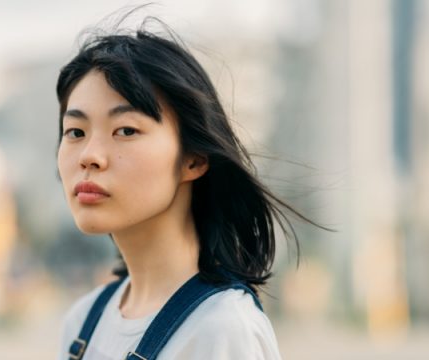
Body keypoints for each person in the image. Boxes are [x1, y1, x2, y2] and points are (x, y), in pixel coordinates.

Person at [55, 17, 329, 360]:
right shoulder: (82, 322)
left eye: (125, 130)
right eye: (75, 132)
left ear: (194, 159)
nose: (89, 156)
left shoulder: (221, 329)